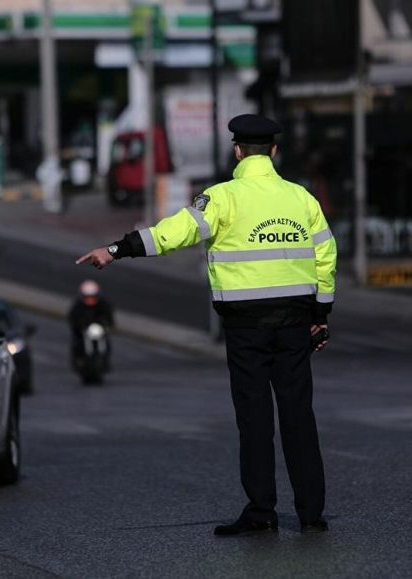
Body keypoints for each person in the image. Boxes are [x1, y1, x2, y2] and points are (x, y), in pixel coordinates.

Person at [76, 114, 337, 537]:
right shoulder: (301, 198)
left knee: (254, 419)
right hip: (294, 323)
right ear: (274, 151)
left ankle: (262, 511)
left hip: (245, 327)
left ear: (237, 151)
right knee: (298, 416)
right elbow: (326, 256)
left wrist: (115, 249)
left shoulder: (221, 199)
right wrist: (321, 316)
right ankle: (311, 514)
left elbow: (171, 234)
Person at [68, 279, 115, 364]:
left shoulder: (103, 304)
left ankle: (105, 360)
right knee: (77, 343)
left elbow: (109, 317)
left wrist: (108, 326)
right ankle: (78, 360)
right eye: (87, 297)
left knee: (106, 342)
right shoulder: (78, 305)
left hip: (98, 328)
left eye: (92, 297)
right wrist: (78, 326)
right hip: (83, 329)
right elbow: (72, 318)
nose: (90, 300)